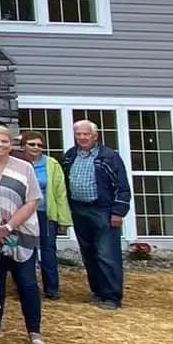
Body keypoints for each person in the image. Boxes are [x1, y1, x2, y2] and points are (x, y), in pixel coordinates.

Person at [0, 125, 46, 344]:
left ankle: (34, 332)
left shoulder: (24, 167)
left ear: (11, 144)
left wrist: (8, 227)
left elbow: (32, 201)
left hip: (21, 234)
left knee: (27, 282)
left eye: (4, 141)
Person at [61, 119, 131, 309]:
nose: (82, 138)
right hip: (79, 209)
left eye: (86, 134)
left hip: (103, 210)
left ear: (95, 136)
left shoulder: (108, 156)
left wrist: (119, 212)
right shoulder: (70, 156)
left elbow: (123, 187)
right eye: (79, 134)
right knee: (89, 253)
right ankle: (98, 291)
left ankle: (112, 297)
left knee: (106, 253)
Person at [24, 130, 71, 301]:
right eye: (32, 144)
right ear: (24, 146)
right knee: (26, 251)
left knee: (48, 251)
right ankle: (28, 287)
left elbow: (60, 193)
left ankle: (51, 289)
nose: (36, 148)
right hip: (24, 215)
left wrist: (63, 219)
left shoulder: (52, 164)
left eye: (39, 145)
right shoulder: (18, 163)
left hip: (46, 213)